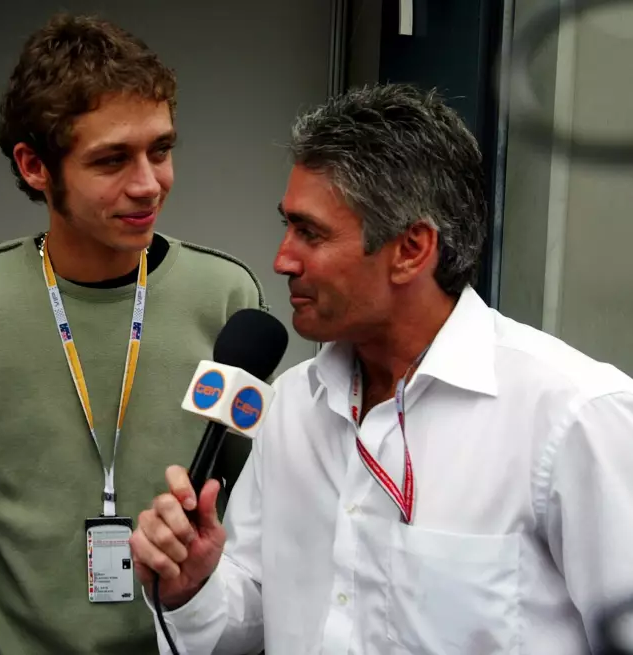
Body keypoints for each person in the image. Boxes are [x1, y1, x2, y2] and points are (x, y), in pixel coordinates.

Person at [130, 83, 633, 655]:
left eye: (310, 232)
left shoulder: (574, 416)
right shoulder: (294, 407)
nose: (281, 259)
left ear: (412, 249)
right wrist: (194, 586)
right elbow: (248, 624)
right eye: (286, 226)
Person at [0, 12, 268, 655]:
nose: (148, 183)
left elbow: (254, 514)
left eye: (161, 149)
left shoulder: (227, 296)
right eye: (112, 160)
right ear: (36, 166)